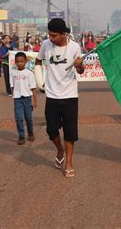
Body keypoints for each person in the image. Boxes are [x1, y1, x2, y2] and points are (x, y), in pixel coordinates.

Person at [35, 18, 84, 178]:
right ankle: (59, 149)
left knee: (70, 133)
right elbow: (37, 60)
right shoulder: (45, 45)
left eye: (54, 35)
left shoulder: (75, 47)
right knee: (51, 130)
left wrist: (78, 65)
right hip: (52, 96)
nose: (51, 38)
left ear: (63, 34)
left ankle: (69, 163)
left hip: (70, 96)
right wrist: (39, 80)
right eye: (49, 34)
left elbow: (81, 71)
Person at [11, 52, 37, 145]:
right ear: (15, 62)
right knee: (18, 118)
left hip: (27, 98)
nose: (20, 63)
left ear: (25, 61)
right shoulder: (13, 72)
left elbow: (33, 88)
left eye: (22, 61)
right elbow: (12, 86)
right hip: (17, 99)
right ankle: (21, 136)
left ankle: (30, 132)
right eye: (17, 62)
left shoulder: (29, 73)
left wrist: (35, 100)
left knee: (28, 117)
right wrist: (13, 94)